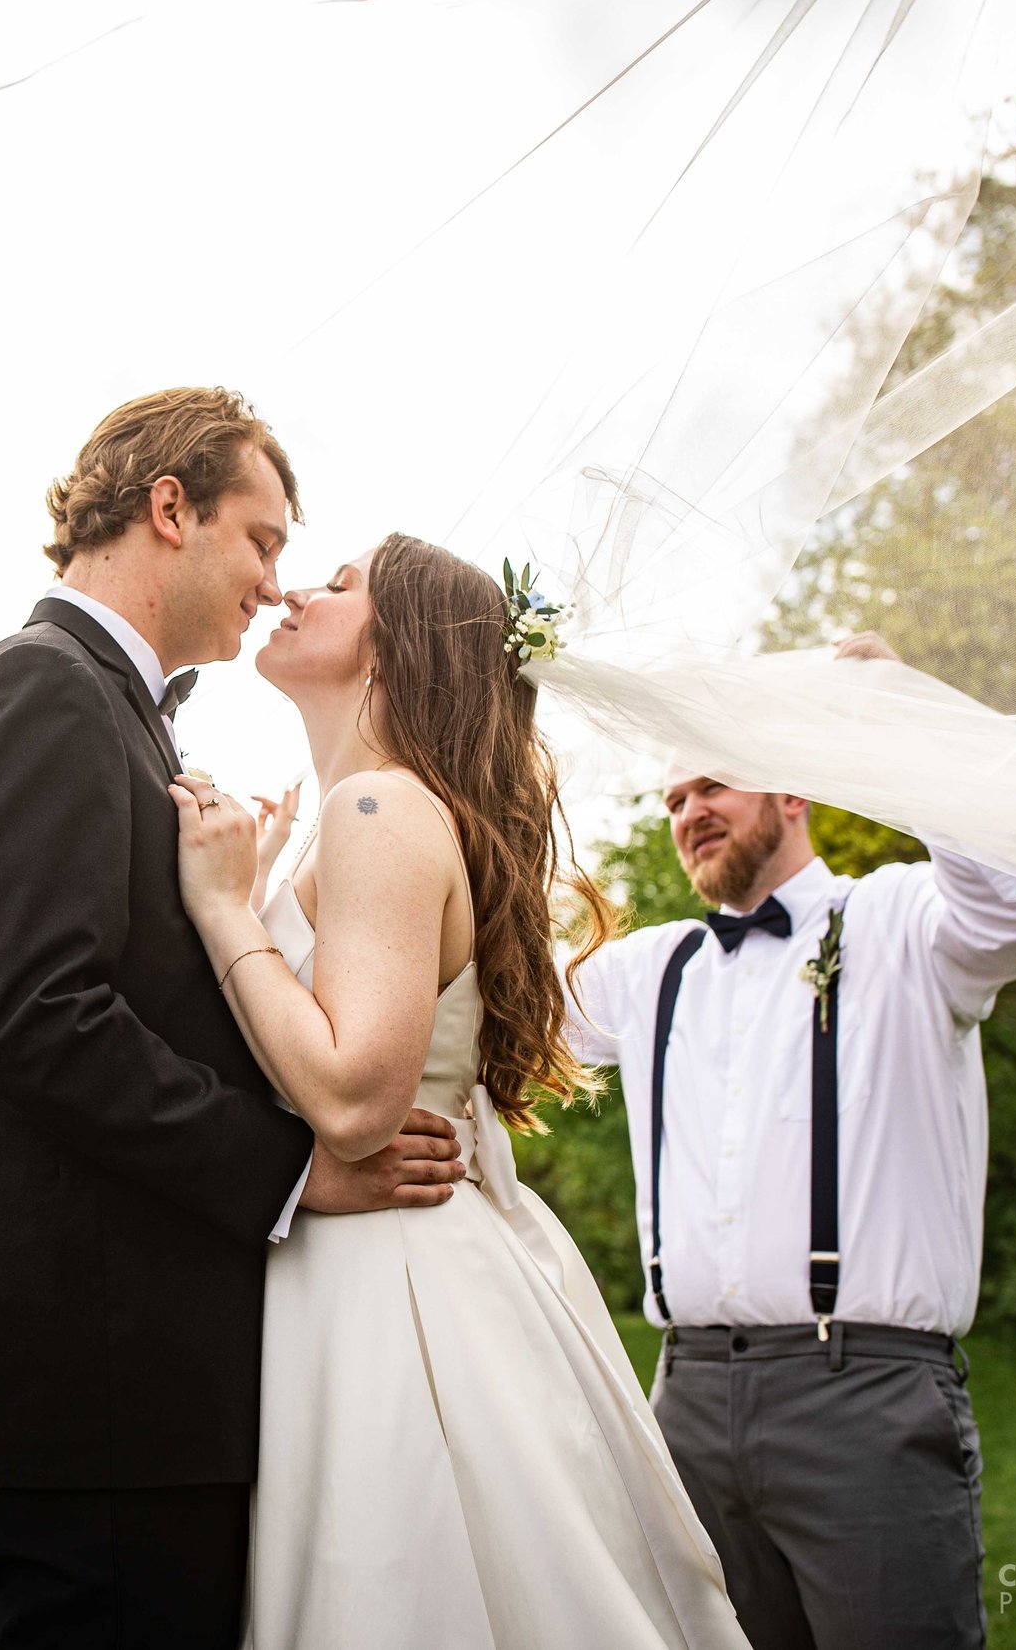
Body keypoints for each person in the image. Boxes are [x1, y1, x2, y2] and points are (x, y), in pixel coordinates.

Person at [0, 388, 469, 1650]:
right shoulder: (39, 690)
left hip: (143, 1376)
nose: (273, 583)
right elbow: (36, 1017)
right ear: (172, 510)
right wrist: (290, 1169)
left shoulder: (114, 712)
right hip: (89, 1385)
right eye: (262, 540)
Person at [167, 533, 751, 1649]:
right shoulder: (375, 810)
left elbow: (350, 1096)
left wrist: (222, 907)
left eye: (336, 585)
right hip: (372, 1254)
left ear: (396, 649)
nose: (292, 589)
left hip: (392, 1286)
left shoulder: (379, 808)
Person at [551, 632, 1016, 1650]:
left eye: (713, 783)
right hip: (683, 1398)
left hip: (863, 1397)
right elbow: (499, 1008)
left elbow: (1005, 895)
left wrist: (890, 710)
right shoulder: (649, 968)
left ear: (794, 789)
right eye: (673, 796)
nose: (687, 811)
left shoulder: (903, 917)